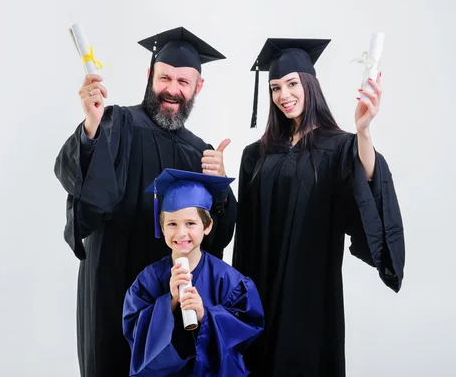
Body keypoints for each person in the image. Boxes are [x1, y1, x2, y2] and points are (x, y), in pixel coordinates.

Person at [53, 27, 238, 377]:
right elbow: (76, 176)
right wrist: (91, 127)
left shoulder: (200, 150)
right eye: (165, 77)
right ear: (149, 75)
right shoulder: (116, 123)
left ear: (198, 88)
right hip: (112, 286)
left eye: (184, 82)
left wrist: (220, 189)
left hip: (170, 296)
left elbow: (218, 236)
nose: (172, 90)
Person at [232, 38, 406, 376]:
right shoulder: (256, 154)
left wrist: (363, 131)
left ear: (312, 84)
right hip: (260, 288)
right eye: (275, 87)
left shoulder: (339, 148)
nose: (283, 95)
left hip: (310, 293)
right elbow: (246, 234)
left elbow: (365, 182)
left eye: (293, 83)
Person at [122, 168, 264, 376]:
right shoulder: (148, 280)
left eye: (190, 223)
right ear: (162, 228)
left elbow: (248, 330)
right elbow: (133, 332)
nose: (181, 233)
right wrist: (168, 302)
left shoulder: (229, 280)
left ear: (207, 227)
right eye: (172, 224)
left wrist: (206, 315)